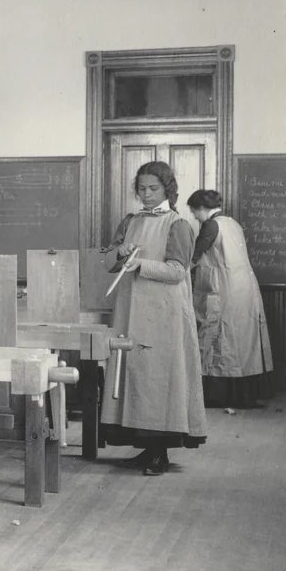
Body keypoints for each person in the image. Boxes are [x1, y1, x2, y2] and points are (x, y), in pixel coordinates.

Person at [100, 161, 206, 476]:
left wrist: (140, 264)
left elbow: (177, 272)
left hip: (164, 314)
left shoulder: (178, 224)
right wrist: (121, 254)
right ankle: (147, 447)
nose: (146, 195)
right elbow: (108, 261)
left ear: (167, 190)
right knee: (135, 376)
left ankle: (160, 451)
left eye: (153, 189)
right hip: (132, 309)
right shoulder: (131, 220)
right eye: (142, 189)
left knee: (159, 380)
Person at [187, 189, 274, 408]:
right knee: (242, 345)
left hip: (224, 290)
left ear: (201, 208)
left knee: (221, 343)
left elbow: (193, 257)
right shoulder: (233, 223)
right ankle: (242, 396)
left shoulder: (211, 225)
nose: (194, 217)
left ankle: (219, 397)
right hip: (243, 290)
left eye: (194, 212)